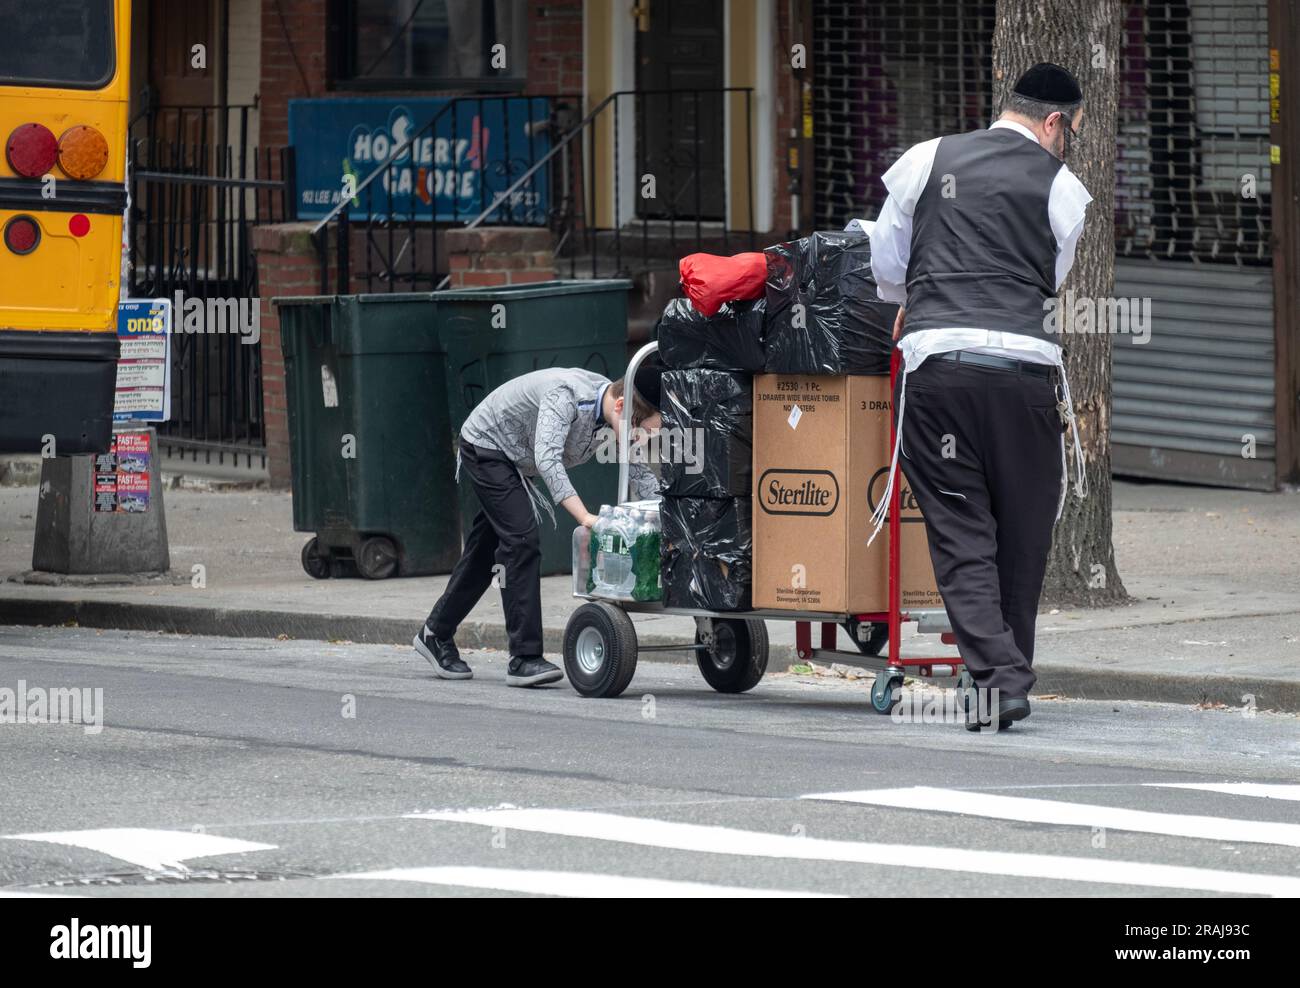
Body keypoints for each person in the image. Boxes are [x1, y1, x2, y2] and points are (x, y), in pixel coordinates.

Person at [868, 62, 1092, 731]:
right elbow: (1047, 278)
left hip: (937, 370)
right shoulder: (1066, 190)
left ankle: (998, 678)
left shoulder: (925, 159)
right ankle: (1003, 676)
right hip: (1024, 374)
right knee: (1023, 533)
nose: (1068, 142)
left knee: (962, 529)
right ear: (1053, 122)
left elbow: (885, 260)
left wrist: (912, 299)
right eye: (1070, 131)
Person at [414, 368, 661, 687]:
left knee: (484, 553)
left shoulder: (618, 415)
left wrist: (668, 515)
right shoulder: (567, 397)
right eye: (640, 431)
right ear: (621, 406)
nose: (639, 440)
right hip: (488, 447)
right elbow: (548, 460)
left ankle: (435, 633)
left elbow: (640, 473)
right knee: (520, 540)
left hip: (517, 459)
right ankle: (524, 658)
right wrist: (585, 517)